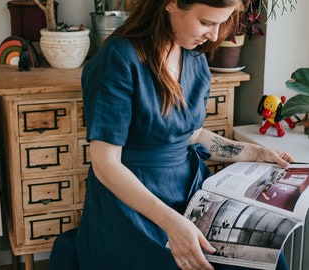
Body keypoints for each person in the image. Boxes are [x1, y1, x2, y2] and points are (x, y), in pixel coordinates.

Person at [49, 0, 294, 269]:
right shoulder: (119, 58)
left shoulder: (194, 55)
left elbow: (191, 134)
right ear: (171, 3)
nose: (213, 35)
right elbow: (105, 164)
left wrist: (252, 151)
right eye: (206, 22)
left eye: (220, 23)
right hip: (133, 202)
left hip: (190, 191)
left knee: (267, 257)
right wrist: (172, 223)